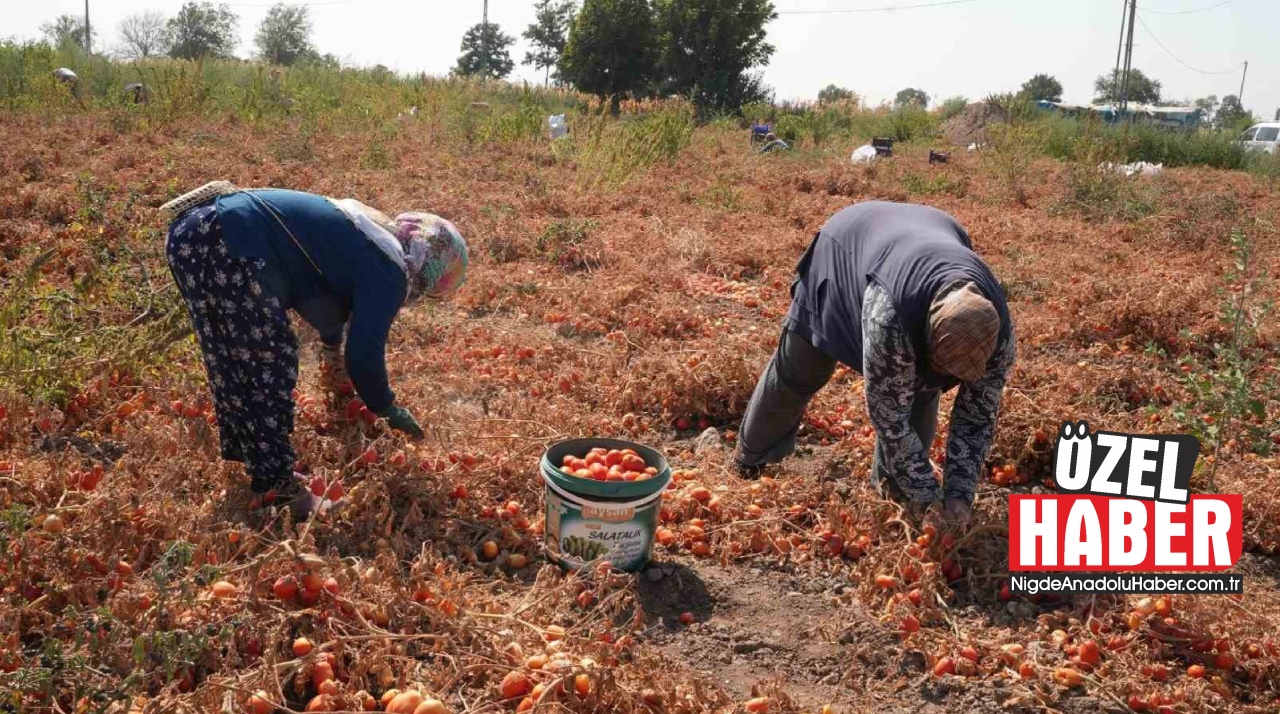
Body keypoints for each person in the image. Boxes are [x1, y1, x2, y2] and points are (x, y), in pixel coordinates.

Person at [161, 185, 468, 518]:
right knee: (268, 362)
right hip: (228, 239)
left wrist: (330, 346)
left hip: (194, 233)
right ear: (431, 268)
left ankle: (266, 469)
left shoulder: (370, 236)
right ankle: (277, 490)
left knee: (234, 357)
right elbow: (364, 355)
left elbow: (320, 298)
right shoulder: (390, 271)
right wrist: (386, 407)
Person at [733, 201, 1016, 529]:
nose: (946, 380)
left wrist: (958, 497)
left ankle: (892, 501)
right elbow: (889, 417)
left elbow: (976, 419)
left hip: (921, 238)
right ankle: (753, 461)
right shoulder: (891, 318)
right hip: (844, 250)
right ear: (925, 335)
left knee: (921, 393)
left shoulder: (999, 337)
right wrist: (927, 495)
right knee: (802, 369)